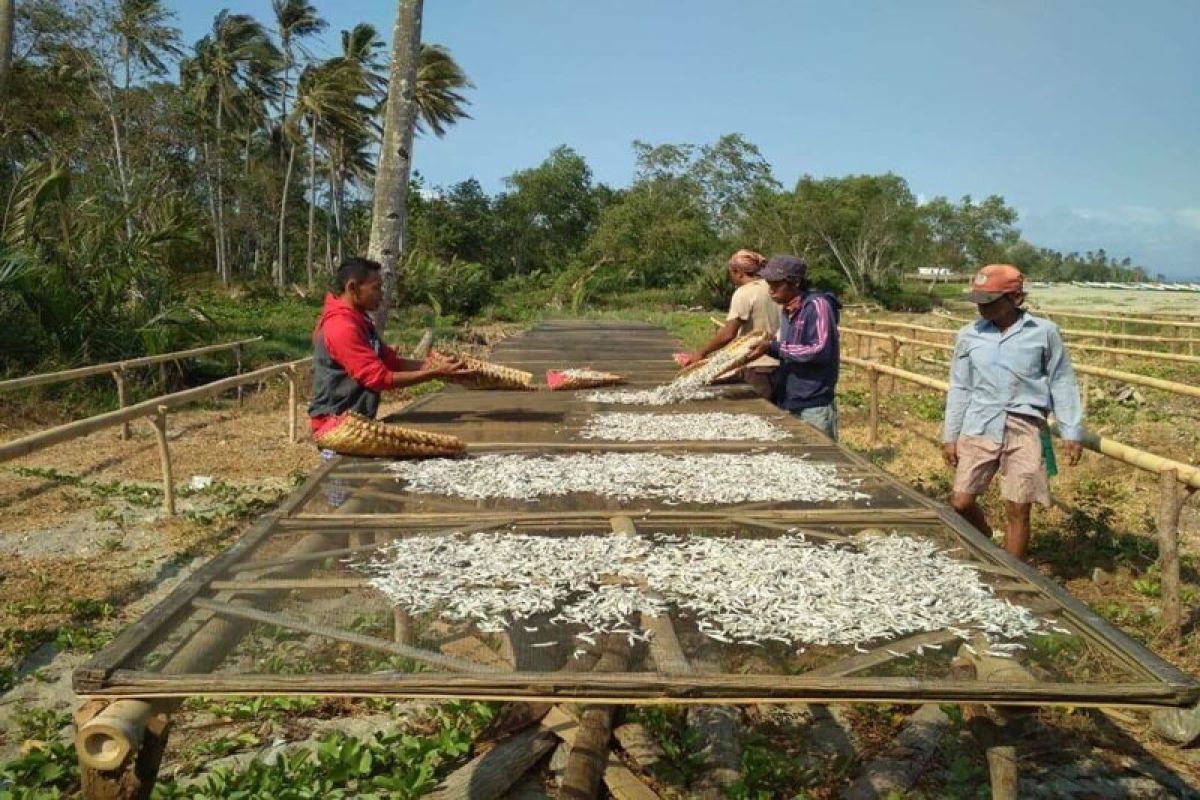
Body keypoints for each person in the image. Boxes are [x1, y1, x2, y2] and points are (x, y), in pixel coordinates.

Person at [942, 264, 1084, 560]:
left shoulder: (1044, 332)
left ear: (1016, 298)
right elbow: (960, 387)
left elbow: (1061, 380)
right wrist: (950, 435)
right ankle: (987, 542)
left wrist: (1071, 430)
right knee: (961, 500)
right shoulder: (969, 335)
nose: (982, 309)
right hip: (980, 423)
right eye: (979, 302)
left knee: (1018, 506)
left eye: (990, 303)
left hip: (1026, 426)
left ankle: (1012, 576)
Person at [308, 257, 472, 438]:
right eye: (376, 288)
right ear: (352, 287)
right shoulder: (342, 326)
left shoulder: (359, 320)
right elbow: (379, 379)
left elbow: (390, 362)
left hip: (354, 424)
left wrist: (433, 364)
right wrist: (434, 373)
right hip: (336, 427)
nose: (382, 294)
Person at [745, 255, 841, 439]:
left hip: (813, 404)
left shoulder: (817, 306)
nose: (770, 290)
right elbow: (788, 348)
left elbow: (818, 350)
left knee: (820, 461)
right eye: (768, 283)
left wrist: (775, 347)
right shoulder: (788, 309)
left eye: (776, 284)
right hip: (791, 399)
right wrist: (768, 348)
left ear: (795, 282)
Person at [682, 249, 779, 397]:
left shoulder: (744, 293)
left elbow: (728, 334)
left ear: (738, 272)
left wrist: (701, 353)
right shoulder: (775, 288)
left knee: (761, 411)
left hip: (757, 364)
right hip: (780, 360)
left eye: (731, 273)